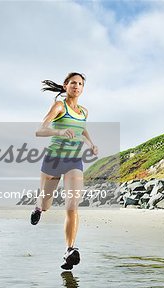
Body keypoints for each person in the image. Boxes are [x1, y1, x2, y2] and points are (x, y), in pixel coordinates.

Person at [31, 72, 98, 270]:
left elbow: (82, 129)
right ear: (66, 86)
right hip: (53, 160)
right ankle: (37, 207)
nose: (76, 86)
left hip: (73, 161)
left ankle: (70, 249)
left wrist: (91, 144)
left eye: (80, 84)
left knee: (72, 205)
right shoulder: (59, 106)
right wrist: (58, 131)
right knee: (46, 204)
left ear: (83, 88)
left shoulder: (84, 111)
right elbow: (40, 130)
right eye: (73, 83)